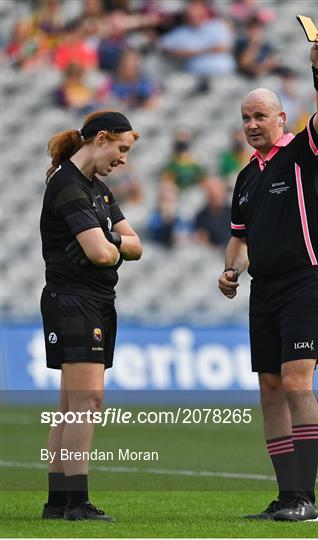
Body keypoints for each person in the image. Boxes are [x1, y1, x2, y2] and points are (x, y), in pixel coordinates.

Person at [218, 31, 318, 522]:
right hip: (263, 289)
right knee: (269, 388)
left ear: (281, 118)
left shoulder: (304, 154)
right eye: (246, 118)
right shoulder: (246, 177)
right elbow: (239, 238)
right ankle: (287, 496)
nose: (252, 124)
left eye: (260, 116)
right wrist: (229, 269)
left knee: (295, 382)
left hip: (305, 281)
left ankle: (306, 499)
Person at [40, 110, 142, 521]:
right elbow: (102, 254)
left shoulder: (96, 189)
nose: (123, 159)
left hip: (94, 298)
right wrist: (109, 247)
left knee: (71, 404)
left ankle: (58, 501)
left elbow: (132, 245)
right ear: (100, 139)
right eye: (121, 149)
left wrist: (110, 240)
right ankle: (77, 502)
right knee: (87, 401)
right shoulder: (68, 184)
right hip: (74, 299)